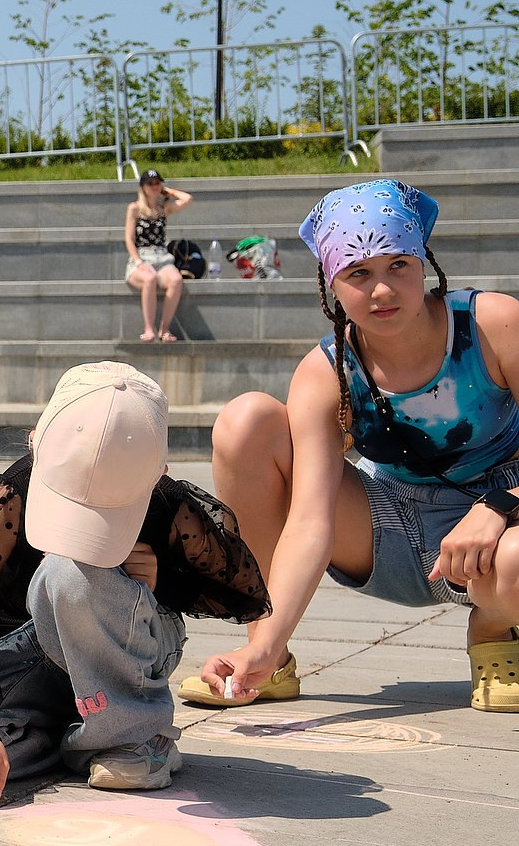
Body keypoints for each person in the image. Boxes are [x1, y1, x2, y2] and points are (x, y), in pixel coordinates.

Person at [195, 180, 519, 715]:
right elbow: (310, 520)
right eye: (359, 273)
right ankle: (268, 660)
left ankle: (492, 630)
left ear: (423, 262)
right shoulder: (326, 372)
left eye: (399, 266)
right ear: (331, 284)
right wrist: (265, 643)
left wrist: (500, 505)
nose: (383, 290)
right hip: (390, 527)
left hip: (503, 523)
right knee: (245, 421)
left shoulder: (493, 324)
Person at [0, 363, 270, 805]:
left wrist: (156, 581)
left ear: (158, 474)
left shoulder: (169, 505)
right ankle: (80, 736)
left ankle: (137, 738)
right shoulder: (10, 498)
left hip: (127, 649)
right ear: (36, 443)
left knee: (65, 571)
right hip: (40, 651)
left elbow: (241, 591)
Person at [124, 170, 193, 343]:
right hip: (141, 256)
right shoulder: (135, 208)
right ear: (143, 187)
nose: (155, 186)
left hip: (161, 256)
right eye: (151, 183)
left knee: (176, 280)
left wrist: (168, 191)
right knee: (150, 279)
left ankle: (164, 329)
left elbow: (187, 199)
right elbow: (129, 239)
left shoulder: (163, 208)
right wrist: (139, 262)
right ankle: (149, 329)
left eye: (157, 183)